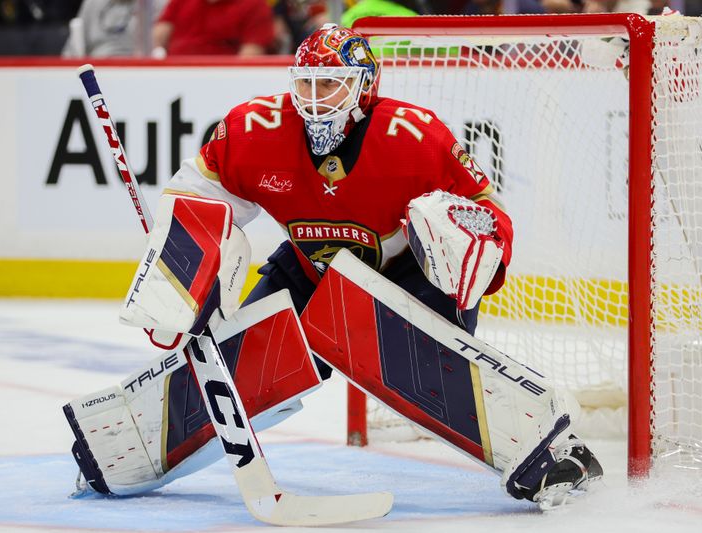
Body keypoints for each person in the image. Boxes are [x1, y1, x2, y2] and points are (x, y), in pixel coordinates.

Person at [65, 24, 602, 508]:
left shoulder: (414, 138)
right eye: (307, 84)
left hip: (406, 275)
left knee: (418, 364)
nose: (316, 99)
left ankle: (552, 450)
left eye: (332, 84)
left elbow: (490, 214)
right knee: (245, 365)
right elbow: (196, 199)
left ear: (364, 87)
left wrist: (468, 248)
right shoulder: (255, 128)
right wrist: (184, 280)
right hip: (307, 266)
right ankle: (118, 451)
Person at [152, 0, 274, 57]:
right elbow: (159, 34)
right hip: (174, 74)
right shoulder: (180, 2)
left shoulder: (254, 5)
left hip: (220, 80)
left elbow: (250, 55)